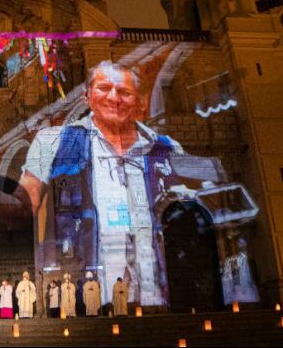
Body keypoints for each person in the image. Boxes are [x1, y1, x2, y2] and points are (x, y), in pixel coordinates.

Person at [19, 61, 207, 308]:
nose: (114, 98)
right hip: (87, 282)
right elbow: (23, 203)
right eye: (104, 88)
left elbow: (195, 208)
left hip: (156, 289)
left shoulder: (167, 148)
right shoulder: (53, 142)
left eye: (124, 92)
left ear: (141, 101)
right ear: (87, 97)